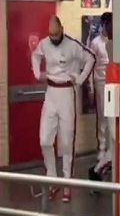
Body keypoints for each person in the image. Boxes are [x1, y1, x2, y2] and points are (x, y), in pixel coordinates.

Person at [31, 15, 96, 203]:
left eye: (56, 34)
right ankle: (52, 179)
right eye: (51, 35)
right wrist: (37, 73)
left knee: (67, 142)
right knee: (44, 139)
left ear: (62, 29)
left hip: (67, 93)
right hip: (51, 93)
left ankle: (67, 183)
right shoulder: (44, 44)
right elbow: (35, 55)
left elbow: (91, 58)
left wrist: (81, 79)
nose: (54, 38)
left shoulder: (73, 45)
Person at [89, 12, 114, 183]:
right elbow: (90, 65)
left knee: (111, 117)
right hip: (100, 82)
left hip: (113, 82)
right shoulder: (95, 43)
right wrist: (91, 87)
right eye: (109, 25)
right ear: (104, 25)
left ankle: (110, 150)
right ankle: (102, 149)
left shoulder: (114, 42)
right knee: (102, 117)